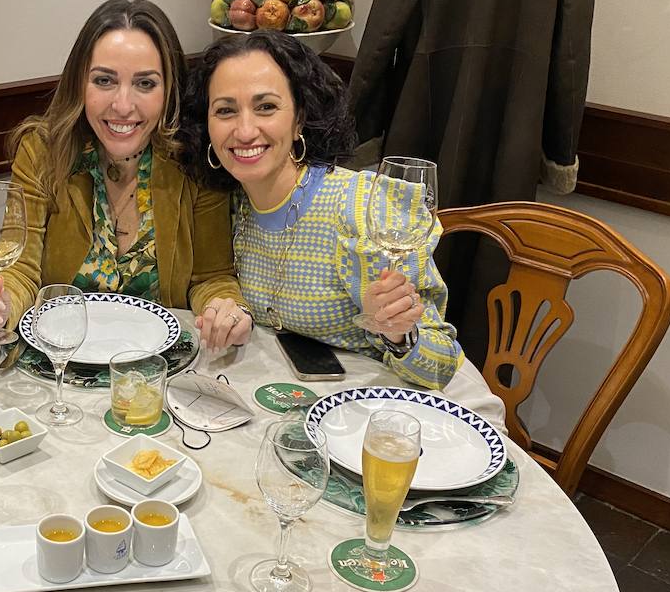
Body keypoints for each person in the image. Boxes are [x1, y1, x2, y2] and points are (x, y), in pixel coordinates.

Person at [0, 0, 250, 350]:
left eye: (145, 84)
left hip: (155, 372)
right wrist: (1, 307)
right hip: (61, 366)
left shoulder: (195, 156)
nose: (123, 106)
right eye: (105, 81)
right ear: (81, 83)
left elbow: (211, 277)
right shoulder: (42, 152)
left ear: (168, 88)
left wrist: (225, 310)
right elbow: (21, 270)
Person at [178, 29, 464, 391]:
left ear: (299, 118)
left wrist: (399, 334)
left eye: (266, 106)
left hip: (370, 411)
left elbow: (442, 366)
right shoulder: (230, 203)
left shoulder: (362, 209)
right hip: (280, 398)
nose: (245, 129)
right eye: (225, 110)